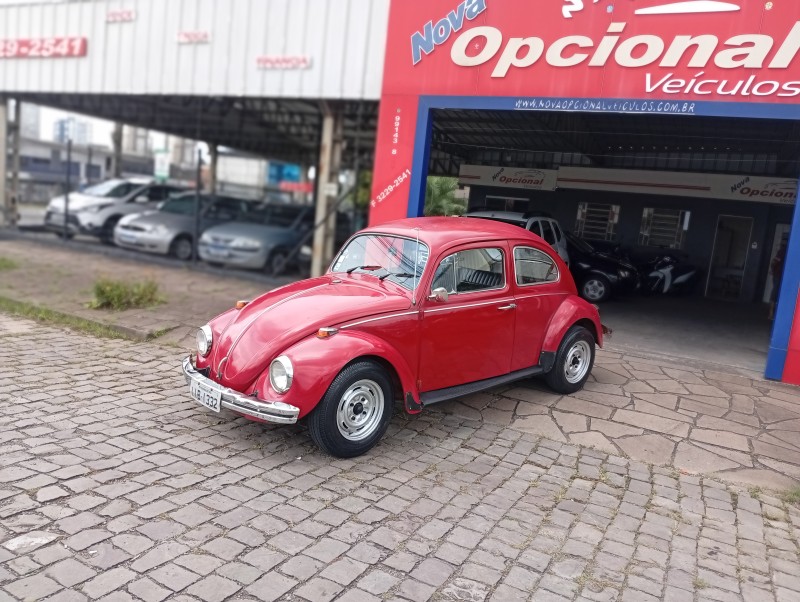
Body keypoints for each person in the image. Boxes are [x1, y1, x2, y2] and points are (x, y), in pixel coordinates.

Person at [769, 241, 787, 320]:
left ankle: (773, 313)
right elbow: (774, 261)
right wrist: (772, 270)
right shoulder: (783, 250)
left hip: (781, 275)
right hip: (779, 275)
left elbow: (774, 262)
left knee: (777, 292)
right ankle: (771, 313)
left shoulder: (783, 250)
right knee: (776, 292)